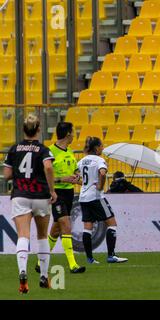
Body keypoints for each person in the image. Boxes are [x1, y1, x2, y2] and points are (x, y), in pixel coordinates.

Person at [3, 114, 57, 293]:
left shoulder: (14, 149)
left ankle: (23, 272)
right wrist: (52, 190)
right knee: (42, 236)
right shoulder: (43, 149)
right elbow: (48, 167)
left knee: (23, 235)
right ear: (39, 130)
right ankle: (43, 276)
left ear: (23, 129)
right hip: (41, 195)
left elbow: (7, 174)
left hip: (20, 195)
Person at [35, 122, 85, 274]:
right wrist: (62, 179)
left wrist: (77, 176)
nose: (74, 135)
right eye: (73, 132)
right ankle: (72, 264)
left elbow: (75, 170)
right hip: (56, 193)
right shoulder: (49, 152)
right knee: (66, 225)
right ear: (68, 134)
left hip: (69, 194)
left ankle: (40, 262)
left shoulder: (69, 151)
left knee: (56, 229)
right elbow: (43, 176)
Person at [77, 136, 128, 264]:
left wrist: (83, 184)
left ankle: (89, 258)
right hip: (96, 197)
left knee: (87, 227)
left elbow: (76, 176)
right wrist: (100, 186)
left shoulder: (82, 161)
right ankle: (111, 255)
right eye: (101, 146)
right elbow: (103, 173)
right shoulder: (100, 160)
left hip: (83, 197)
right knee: (112, 223)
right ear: (96, 148)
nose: (103, 148)